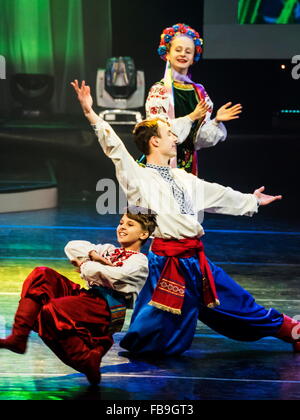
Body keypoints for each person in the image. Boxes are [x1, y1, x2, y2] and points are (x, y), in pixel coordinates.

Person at [71, 79, 300, 357]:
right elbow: (115, 149)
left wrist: (251, 200)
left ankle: (289, 330)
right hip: (168, 262)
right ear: (155, 141)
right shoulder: (139, 178)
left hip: (195, 258)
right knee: (155, 327)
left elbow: (217, 195)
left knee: (234, 302)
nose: (175, 138)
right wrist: (90, 114)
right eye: (169, 133)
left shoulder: (182, 177)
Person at [0, 210, 157, 385]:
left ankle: (87, 361)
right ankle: (18, 338)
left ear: (144, 234)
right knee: (41, 275)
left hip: (106, 307)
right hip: (88, 296)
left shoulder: (139, 262)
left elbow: (114, 276)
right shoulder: (108, 250)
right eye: (121, 222)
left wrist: (85, 265)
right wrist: (92, 255)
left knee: (51, 310)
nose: (122, 227)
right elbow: (72, 246)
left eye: (130, 224)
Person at [143, 23, 242, 175]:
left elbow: (198, 141)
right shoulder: (159, 90)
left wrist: (216, 121)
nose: (183, 54)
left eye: (188, 51)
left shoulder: (199, 92)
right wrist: (191, 117)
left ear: (193, 57)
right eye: (178, 50)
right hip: (160, 164)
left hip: (188, 165)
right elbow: (156, 132)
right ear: (167, 54)